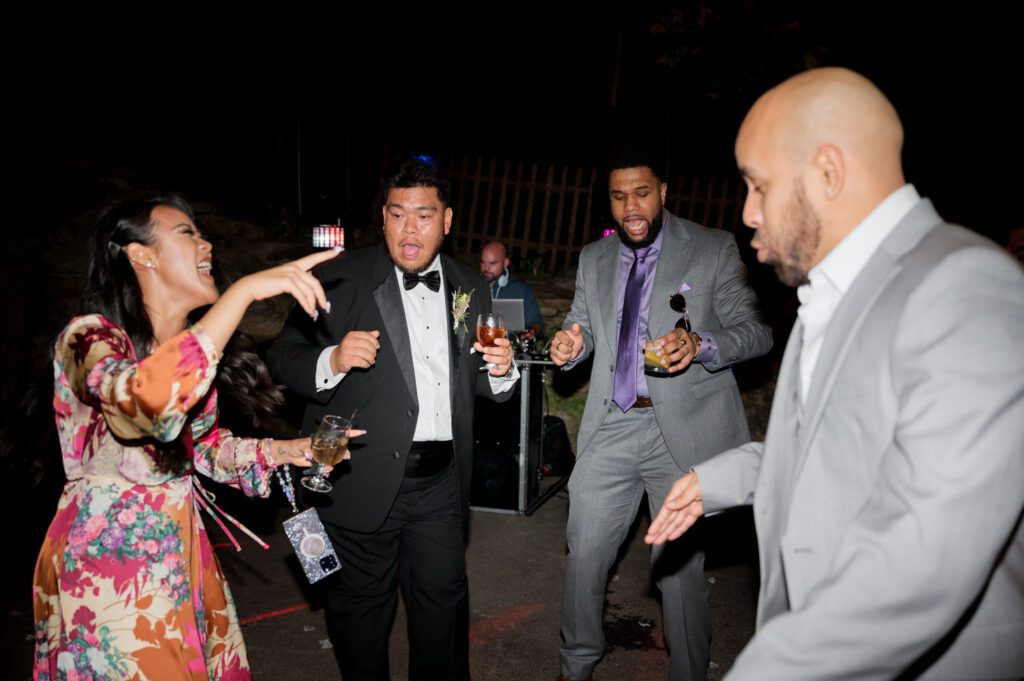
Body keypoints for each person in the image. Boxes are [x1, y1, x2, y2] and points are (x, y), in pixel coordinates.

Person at [646, 67, 1024, 680]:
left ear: (827, 172)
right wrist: (720, 479)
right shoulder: (832, 294)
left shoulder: (965, 289)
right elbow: (841, 451)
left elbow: (921, 562)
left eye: (759, 186)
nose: (746, 213)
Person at [33, 194, 349, 680]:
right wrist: (240, 294)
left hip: (182, 555)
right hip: (113, 568)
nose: (207, 244)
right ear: (141, 254)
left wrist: (291, 450)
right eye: (188, 233)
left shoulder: (192, 358)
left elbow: (201, 449)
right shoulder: (89, 339)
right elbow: (143, 408)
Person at [268, 158, 517, 681]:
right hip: (357, 476)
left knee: (443, 610)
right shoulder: (338, 276)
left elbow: (483, 383)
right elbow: (282, 356)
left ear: (446, 221)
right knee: (359, 614)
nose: (411, 229)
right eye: (399, 214)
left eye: (424, 216)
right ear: (382, 217)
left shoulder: (472, 286)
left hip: (441, 484)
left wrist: (502, 371)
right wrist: (332, 359)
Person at [548, 147, 772, 681]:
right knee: (583, 552)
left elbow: (757, 332)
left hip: (682, 432)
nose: (631, 206)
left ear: (663, 192)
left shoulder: (713, 248)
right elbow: (580, 328)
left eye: (642, 193)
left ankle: (689, 673)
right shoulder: (593, 258)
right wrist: (569, 346)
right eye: (619, 196)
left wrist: (701, 343)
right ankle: (575, 666)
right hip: (614, 422)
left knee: (679, 568)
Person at [479, 240, 545, 338]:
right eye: (483, 262)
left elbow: (537, 323)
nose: (486, 268)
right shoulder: (473, 286)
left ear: (505, 263)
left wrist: (531, 332)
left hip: (510, 348)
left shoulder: (521, 290)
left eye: (492, 263)